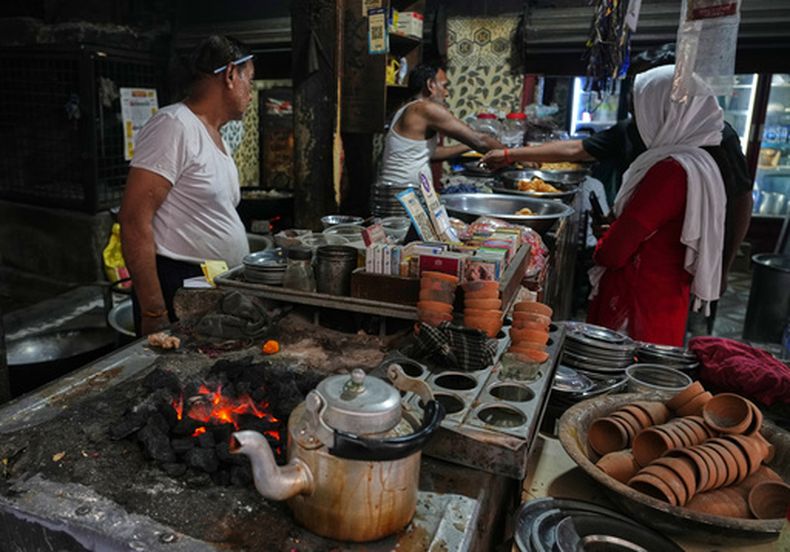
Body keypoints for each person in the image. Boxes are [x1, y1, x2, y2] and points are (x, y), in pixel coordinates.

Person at [481, 55, 753, 306]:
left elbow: (613, 252)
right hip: (663, 282)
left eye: (643, 97)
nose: (637, 108)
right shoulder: (656, 135)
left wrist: (722, 265)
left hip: (645, 287)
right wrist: (509, 154)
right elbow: (578, 149)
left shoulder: (680, 164)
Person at [119, 35, 255, 336]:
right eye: (251, 81)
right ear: (231, 75)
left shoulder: (213, 133)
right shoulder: (174, 125)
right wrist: (154, 311)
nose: (251, 93)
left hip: (211, 285)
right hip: (180, 284)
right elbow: (132, 219)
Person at [585, 65, 726, 345]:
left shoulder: (670, 172)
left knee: (628, 383)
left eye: (640, 113)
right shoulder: (700, 162)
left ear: (666, 113)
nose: (637, 124)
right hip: (664, 301)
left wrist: (605, 240)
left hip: (637, 309)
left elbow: (615, 252)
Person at [378, 63, 505, 190]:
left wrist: (467, 146)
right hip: (403, 193)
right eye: (444, 86)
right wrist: (514, 156)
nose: (446, 93)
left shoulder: (408, 108)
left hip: (399, 191)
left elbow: (428, 153)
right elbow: (480, 141)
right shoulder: (425, 109)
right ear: (430, 85)